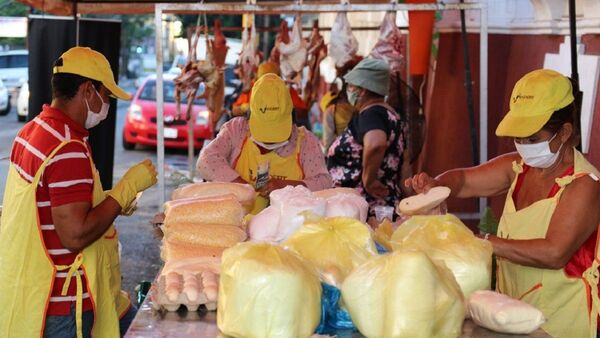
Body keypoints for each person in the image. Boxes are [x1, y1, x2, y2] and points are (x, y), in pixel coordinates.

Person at [404, 69, 600, 338]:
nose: (522, 145)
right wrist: (435, 184)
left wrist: (481, 240)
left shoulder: (584, 184)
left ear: (565, 133)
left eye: (532, 139)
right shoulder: (518, 167)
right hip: (510, 311)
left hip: (559, 320)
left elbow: (554, 253)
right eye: (518, 137)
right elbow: (462, 180)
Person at [0, 47, 157, 338]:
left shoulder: (33, 130)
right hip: (65, 306)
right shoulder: (67, 147)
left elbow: (49, 204)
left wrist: (108, 201)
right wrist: (124, 191)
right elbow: (74, 235)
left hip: (30, 292)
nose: (107, 104)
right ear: (88, 90)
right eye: (105, 94)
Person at [197, 73, 332, 213]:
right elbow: (206, 161)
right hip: (236, 222)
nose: (269, 140)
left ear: (289, 116)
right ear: (251, 115)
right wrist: (242, 187)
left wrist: (286, 186)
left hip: (287, 228)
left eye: (275, 129)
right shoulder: (236, 130)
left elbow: (324, 183)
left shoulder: (306, 142)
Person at [327, 58, 407, 215]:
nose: (348, 90)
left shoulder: (372, 114)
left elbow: (376, 143)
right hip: (380, 204)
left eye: (351, 86)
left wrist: (368, 180)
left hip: (365, 208)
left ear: (362, 89)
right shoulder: (390, 114)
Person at [321, 80, 356, 150]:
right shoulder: (356, 106)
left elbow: (328, 139)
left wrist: (326, 155)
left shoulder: (330, 110)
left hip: (342, 149)